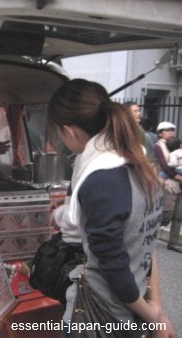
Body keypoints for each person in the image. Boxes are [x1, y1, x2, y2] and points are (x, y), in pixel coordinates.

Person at [47, 79, 174, 337]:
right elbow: (147, 246)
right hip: (136, 308)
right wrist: (155, 309)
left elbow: (112, 266)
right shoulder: (140, 167)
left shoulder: (100, 180)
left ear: (68, 131)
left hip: (100, 317)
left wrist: (153, 315)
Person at [154, 122, 182, 253]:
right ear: (160, 133)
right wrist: (179, 177)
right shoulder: (159, 146)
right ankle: (147, 231)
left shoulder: (177, 144)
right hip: (168, 185)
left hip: (179, 185)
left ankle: (173, 242)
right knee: (167, 215)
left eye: (172, 130)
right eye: (167, 130)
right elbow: (166, 166)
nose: (170, 132)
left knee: (179, 215)